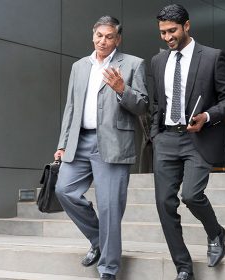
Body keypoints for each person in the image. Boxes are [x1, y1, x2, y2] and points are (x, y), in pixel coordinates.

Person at [54, 15, 149, 280]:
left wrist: (122, 89)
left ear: (117, 39)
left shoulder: (132, 64)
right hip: (79, 141)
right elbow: (71, 107)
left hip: (114, 143)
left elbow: (142, 106)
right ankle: (98, 240)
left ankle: (108, 268)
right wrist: (62, 144)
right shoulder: (79, 66)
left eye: (109, 36)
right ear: (92, 35)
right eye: (99, 36)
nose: (103, 41)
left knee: (110, 207)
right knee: (64, 190)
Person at [150, 4, 225, 280]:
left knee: (190, 195)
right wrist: (155, 133)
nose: (167, 37)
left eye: (172, 30)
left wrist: (207, 116)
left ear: (187, 26)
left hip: (197, 137)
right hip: (166, 138)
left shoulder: (212, 57)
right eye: (163, 32)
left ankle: (215, 233)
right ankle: (183, 267)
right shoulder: (157, 61)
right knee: (164, 204)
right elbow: (157, 102)